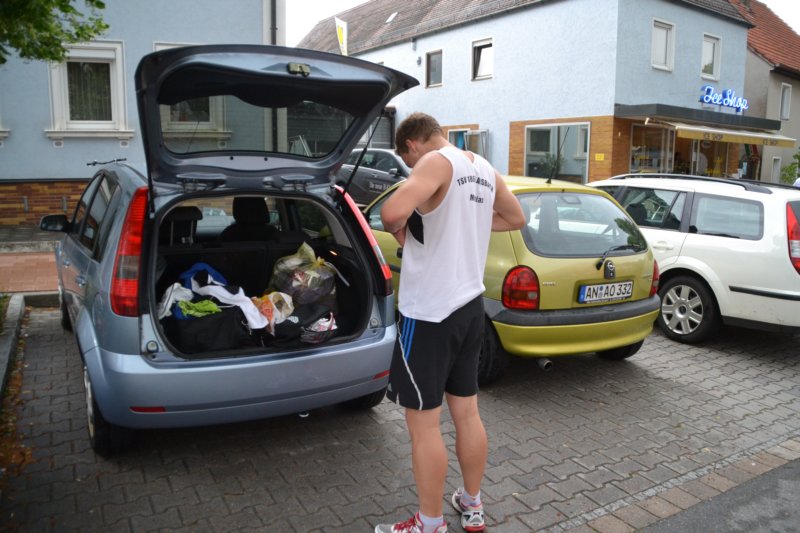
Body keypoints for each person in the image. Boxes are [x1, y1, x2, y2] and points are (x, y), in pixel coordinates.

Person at [374, 113, 525, 533]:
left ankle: (430, 522)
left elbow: (390, 212)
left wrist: (403, 228)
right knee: (467, 413)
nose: (411, 167)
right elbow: (516, 218)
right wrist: (465, 222)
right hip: (470, 307)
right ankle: (472, 505)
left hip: (430, 312)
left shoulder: (435, 161)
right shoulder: (483, 168)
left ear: (412, 145)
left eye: (408, 160)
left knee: (423, 426)